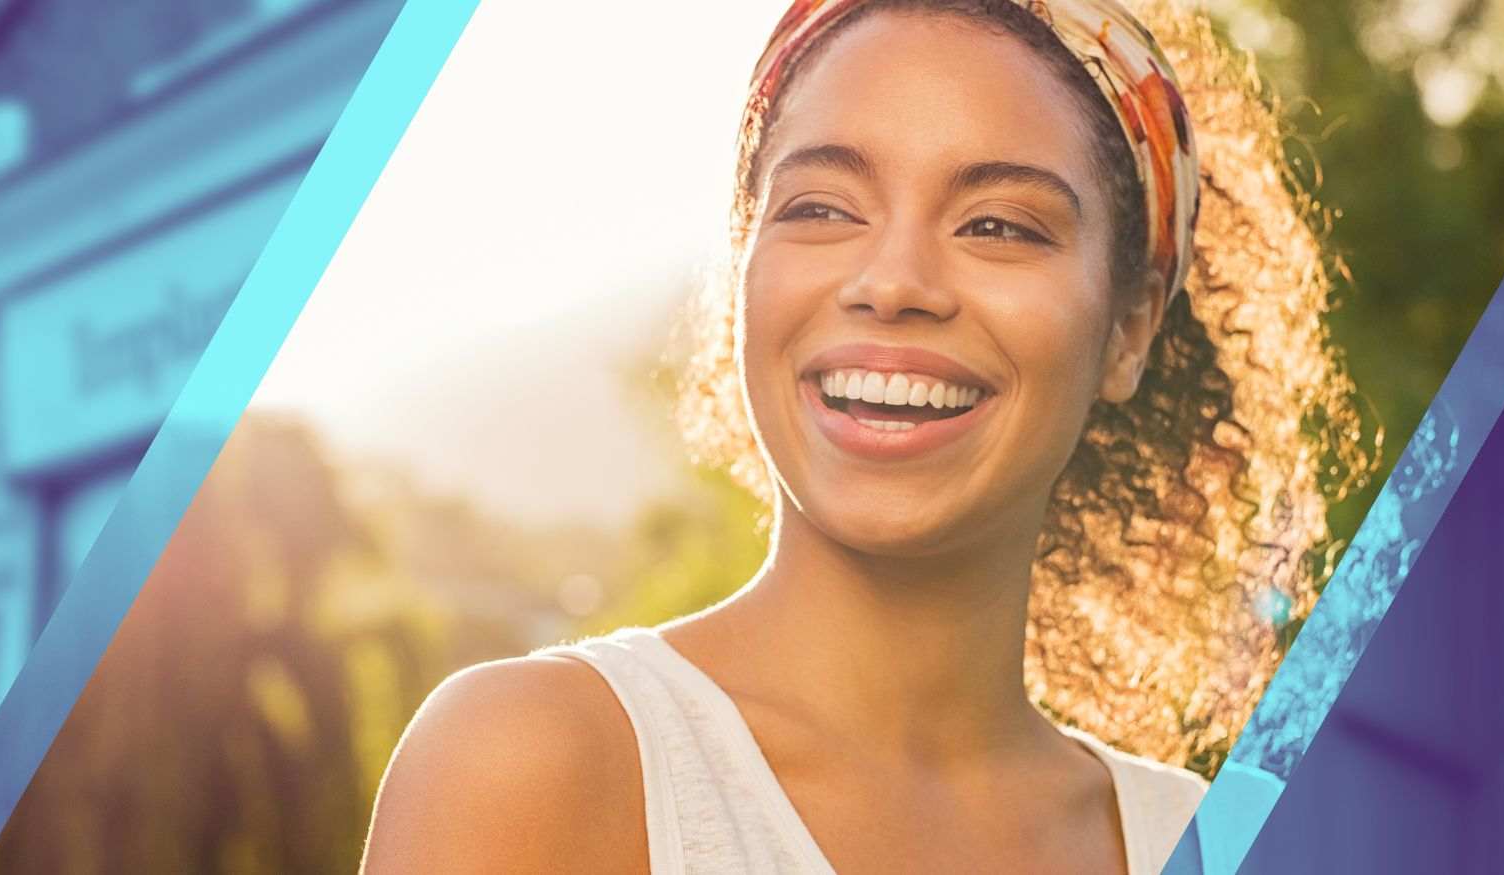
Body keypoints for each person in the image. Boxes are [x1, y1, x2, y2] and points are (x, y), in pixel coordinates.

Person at [363, 0, 1361, 871]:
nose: (891, 282)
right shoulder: (533, 759)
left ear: (1129, 326)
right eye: (821, 207)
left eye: (998, 225)